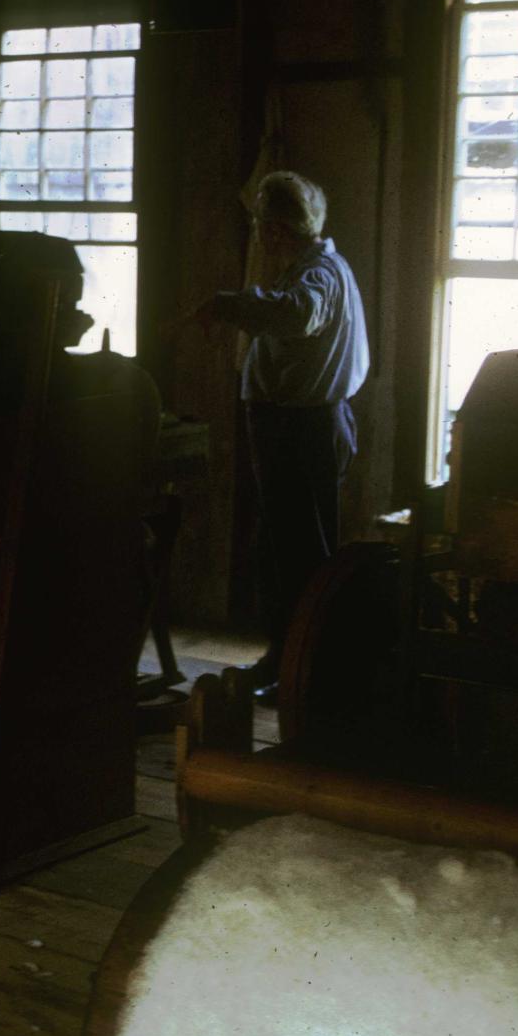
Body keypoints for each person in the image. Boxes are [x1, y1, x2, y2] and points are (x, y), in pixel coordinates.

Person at [194, 170, 370, 697]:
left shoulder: (319, 276)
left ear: (277, 229)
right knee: (287, 547)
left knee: (299, 553)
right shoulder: (312, 269)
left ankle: (304, 669)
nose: (259, 236)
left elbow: (299, 317)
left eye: (261, 225)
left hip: (301, 428)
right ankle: (294, 663)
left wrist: (230, 304)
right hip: (293, 425)